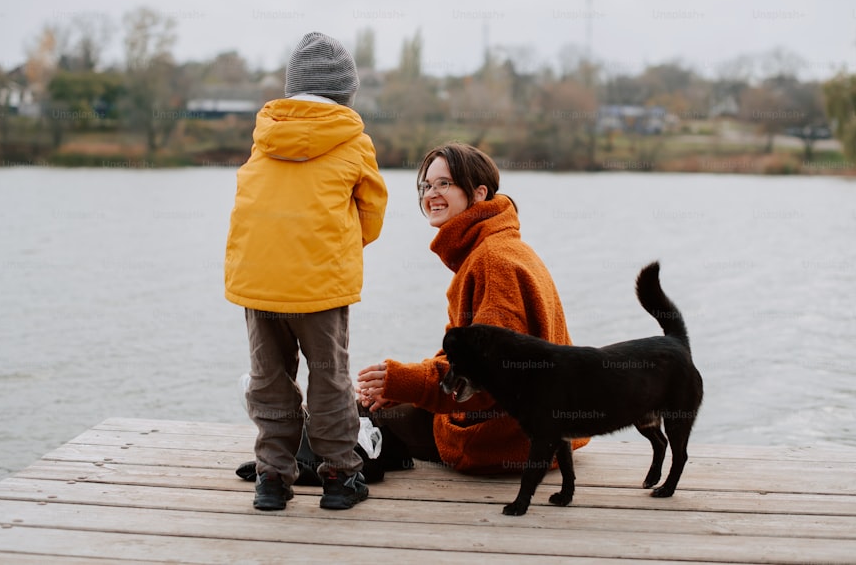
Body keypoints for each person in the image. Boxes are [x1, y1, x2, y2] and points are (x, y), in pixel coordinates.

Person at [224, 31, 388, 511]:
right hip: (319, 285)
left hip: (258, 281)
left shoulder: (265, 136)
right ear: (346, 91)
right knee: (329, 377)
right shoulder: (354, 142)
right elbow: (372, 213)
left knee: (268, 376)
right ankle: (339, 478)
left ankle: (272, 480)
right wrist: (334, 247)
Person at [356, 142, 589, 475]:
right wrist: (399, 386)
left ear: (478, 193)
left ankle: (293, 469)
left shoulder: (494, 264)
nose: (430, 194)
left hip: (505, 439)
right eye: (426, 185)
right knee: (380, 401)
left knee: (357, 411)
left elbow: (486, 378)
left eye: (444, 184)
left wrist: (403, 382)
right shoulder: (498, 248)